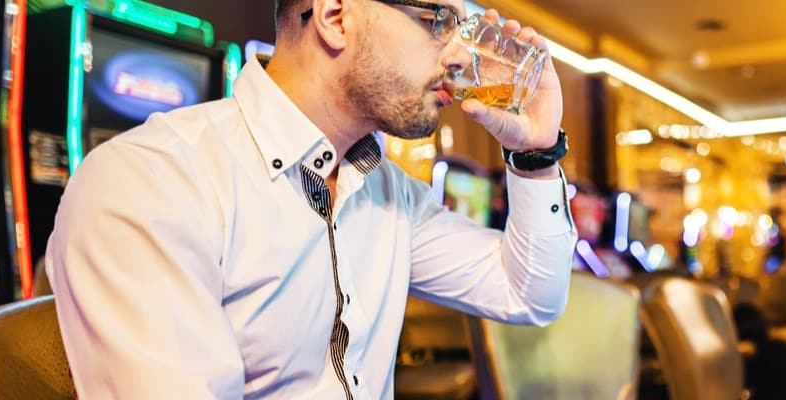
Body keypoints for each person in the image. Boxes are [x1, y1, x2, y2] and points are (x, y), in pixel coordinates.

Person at [44, 0, 576, 398]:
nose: (460, 55)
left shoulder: (389, 193)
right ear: (334, 16)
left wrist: (537, 154)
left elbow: (529, 293)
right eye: (437, 20)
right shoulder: (152, 180)